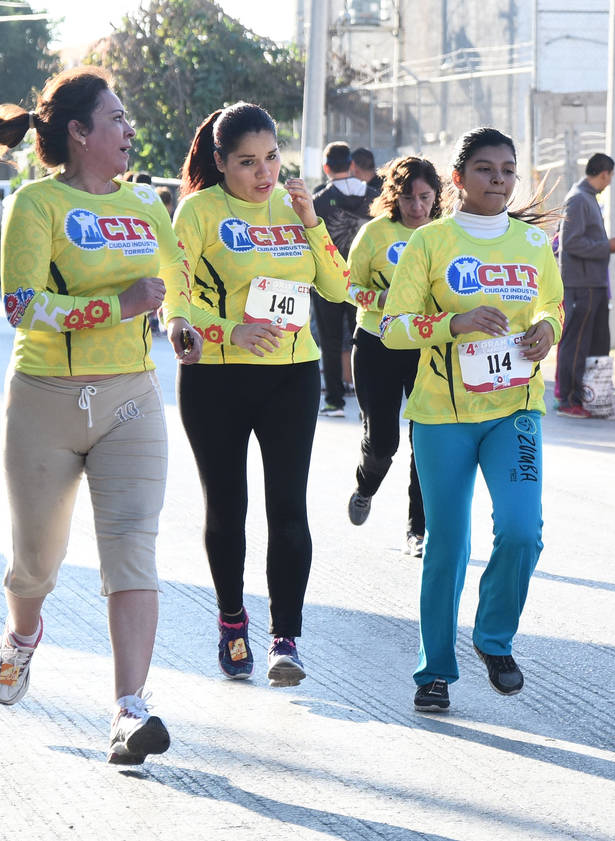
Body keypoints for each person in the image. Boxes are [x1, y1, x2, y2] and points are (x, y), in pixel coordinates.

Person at [0, 65, 195, 765]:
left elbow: (175, 280)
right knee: (36, 561)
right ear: (79, 132)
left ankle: (129, 709)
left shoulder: (147, 203)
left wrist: (180, 322)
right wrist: (116, 307)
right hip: (45, 401)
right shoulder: (34, 204)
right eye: (117, 118)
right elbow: (21, 306)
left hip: (130, 397)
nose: (129, 129)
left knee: (133, 546)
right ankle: (22, 633)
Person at [380, 127, 563, 713]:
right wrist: (451, 325)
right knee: (448, 544)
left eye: (508, 170)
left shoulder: (532, 244)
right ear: (458, 179)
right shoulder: (431, 241)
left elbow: (553, 307)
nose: (499, 180)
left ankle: (493, 639)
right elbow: (393, 328)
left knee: (523, 531)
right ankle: (435, 669)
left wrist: (547, 330)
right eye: (486, 169)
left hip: (516, 409)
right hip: (443, 416)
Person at [166, 102, 349, 687]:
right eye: (247, 162)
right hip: (217, 378)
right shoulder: (198, 211)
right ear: (220, 162)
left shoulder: (294, 207)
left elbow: (338, 287)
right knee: (228, 509)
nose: (264, 172)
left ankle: (285, 638)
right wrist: (230, 331)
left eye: (271, 157)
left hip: (292, 375)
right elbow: (176, 301)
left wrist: (312, 221)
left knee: (288, 509)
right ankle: (232, 620)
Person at [344, 156, 441, 557]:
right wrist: (379, 298)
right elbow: (347, 286)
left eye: (424, 197)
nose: (417, 207)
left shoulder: (444, 233)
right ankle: (365, 486)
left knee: (427, 442)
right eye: (407, 198)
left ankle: (417, 529)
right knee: (383, 441)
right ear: (394, 197)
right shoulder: (374, 233)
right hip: (376, 344)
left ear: (436, 197)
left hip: (426, 347)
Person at [556, 153, 615, 418]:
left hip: (594, 284)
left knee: (595, 345)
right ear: (604, 174)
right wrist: (607, 246)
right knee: (576, 344)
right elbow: (570, 243)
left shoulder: (588, 198)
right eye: (610, 176)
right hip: (580, 285)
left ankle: (592, 399)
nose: (610, 182)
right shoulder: (578, 199)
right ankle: (568, 400)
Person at [312, 141, 377, 416]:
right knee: (364, 340)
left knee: (329, 342)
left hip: (327, 282)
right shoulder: (375, 197)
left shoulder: (318, 201)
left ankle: (334, 401)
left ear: (326, 167)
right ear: (351, 164)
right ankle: (367, 404)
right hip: (364, 282)